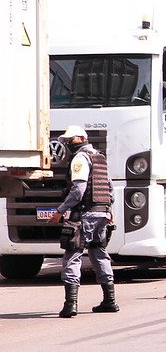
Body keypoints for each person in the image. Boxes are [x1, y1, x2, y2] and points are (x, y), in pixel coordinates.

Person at [47, 125, 118, 317]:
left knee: (72, 254)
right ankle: (109, 300)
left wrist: (60, 211)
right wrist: (110, 210)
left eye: (71, 140)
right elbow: (110, 189)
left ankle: (71, 305)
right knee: (98, 253)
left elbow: (78, 191)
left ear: (81, 138)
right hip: (101, 214)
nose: (68, 144)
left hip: (84, 214)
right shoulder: (99, 157)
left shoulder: (80, 158)